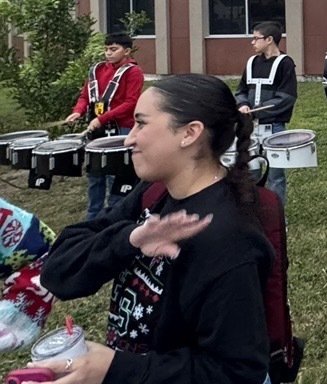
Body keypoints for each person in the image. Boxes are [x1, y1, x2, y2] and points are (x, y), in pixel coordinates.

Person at [39, 73, 275, 383]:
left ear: (189, 133)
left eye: (141, 123)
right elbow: (58, 272)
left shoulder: (227, 240)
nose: (129, 137)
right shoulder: (154, 192)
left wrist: (116, 369)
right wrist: (130, 239)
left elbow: (237, 372)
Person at [65, 33, 144, 219]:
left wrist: (103, 118)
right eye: (106, 49)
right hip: (98, 128)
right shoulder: (97, 70)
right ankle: (92, 215)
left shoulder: (133, 71)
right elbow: (85, 95)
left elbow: (131, 103)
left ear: (127, 51)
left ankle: (113, 216)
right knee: (95, 174)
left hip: (121, 128)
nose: (108, 53)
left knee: (115, 174)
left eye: (113, 49)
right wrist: (78, 110)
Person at [235, 21, 297, 206]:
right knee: (251, 173)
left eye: (256, 38)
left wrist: (259, 111)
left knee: (275, 175)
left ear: (269, 40)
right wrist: (244, 105)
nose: (252, 42)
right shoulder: (252, 62)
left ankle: (276, 216)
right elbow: (241, 90)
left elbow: (286, 97)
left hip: (274, 127)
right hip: (250, 128)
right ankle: (253, 214)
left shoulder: (285, 64)